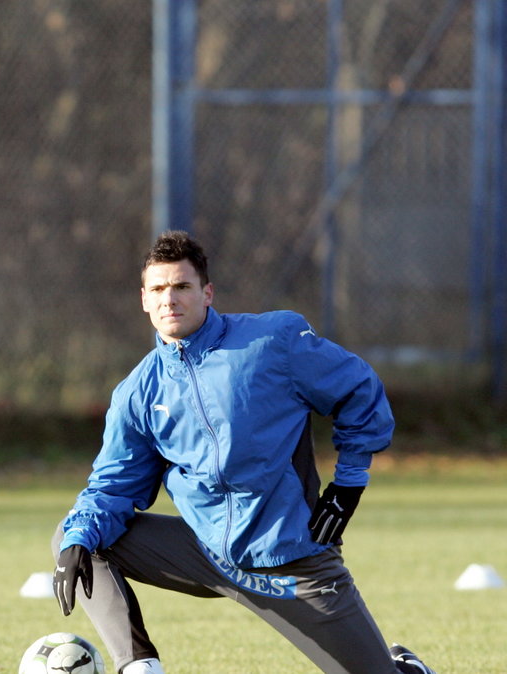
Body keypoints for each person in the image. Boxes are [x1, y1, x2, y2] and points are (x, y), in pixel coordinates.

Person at [50, 231, 435, 674]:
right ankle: (138, 667)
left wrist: (348, 484)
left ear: (207, 293)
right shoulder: (137, 392)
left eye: (182, 287)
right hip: (204, 553)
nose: (169, 300)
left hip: (292, 562)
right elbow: (113, 486)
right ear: (143, 299)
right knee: (75, 536)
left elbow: (358, 391)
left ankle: (406, 669)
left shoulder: (272, 342)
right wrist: (79, 539)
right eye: (157, 289)